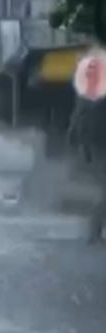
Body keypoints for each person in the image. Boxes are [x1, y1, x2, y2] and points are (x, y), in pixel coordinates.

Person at [67, 97, 106, 245]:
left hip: (95, 141)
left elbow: (80, 112)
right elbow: (82, 113)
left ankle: (94, 232)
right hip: (99, 141)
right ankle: (94, 233)